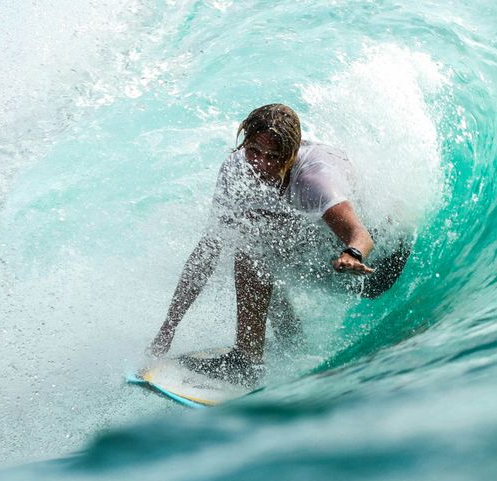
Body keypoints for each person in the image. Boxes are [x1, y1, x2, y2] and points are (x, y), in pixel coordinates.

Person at [146, 104, 409, 385]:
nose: (260, 164)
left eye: (273, 157)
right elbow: (207, 251)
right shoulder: (236, 169)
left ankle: (247, 362)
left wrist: (353, 254)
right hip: (325, 257)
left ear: (292, 154)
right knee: (253, 236)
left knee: (252, 252)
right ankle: (290, 340)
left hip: (375, 268)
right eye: (254, 151)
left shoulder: (314, 180)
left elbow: (360, 234)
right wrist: (169, 327)